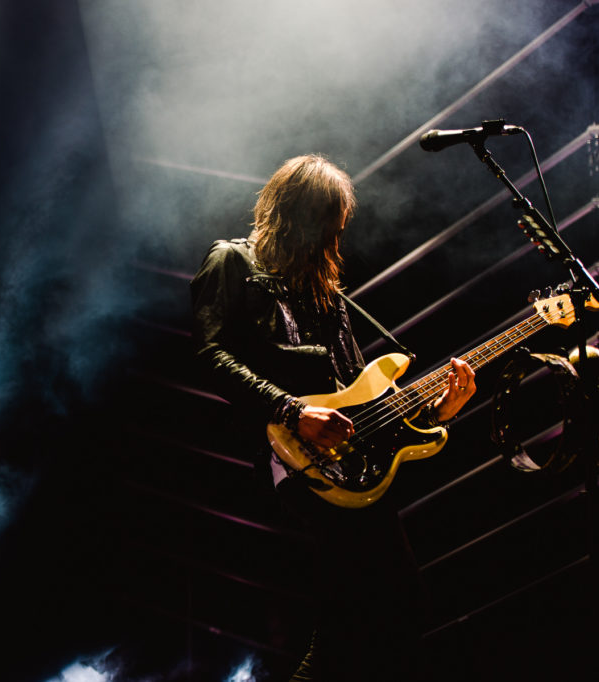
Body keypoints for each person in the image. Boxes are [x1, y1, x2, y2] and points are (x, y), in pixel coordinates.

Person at [189, 154, 476, 680]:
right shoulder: (232, 262)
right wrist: (292, 411)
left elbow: (358, 395)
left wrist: (437, 409)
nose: (333, 245)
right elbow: (210, 354)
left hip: (354, 467)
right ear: (295, 216)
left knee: (386, 612)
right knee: (377, 609)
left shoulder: (328, 296)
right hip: (294, 456)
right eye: (328, 230)